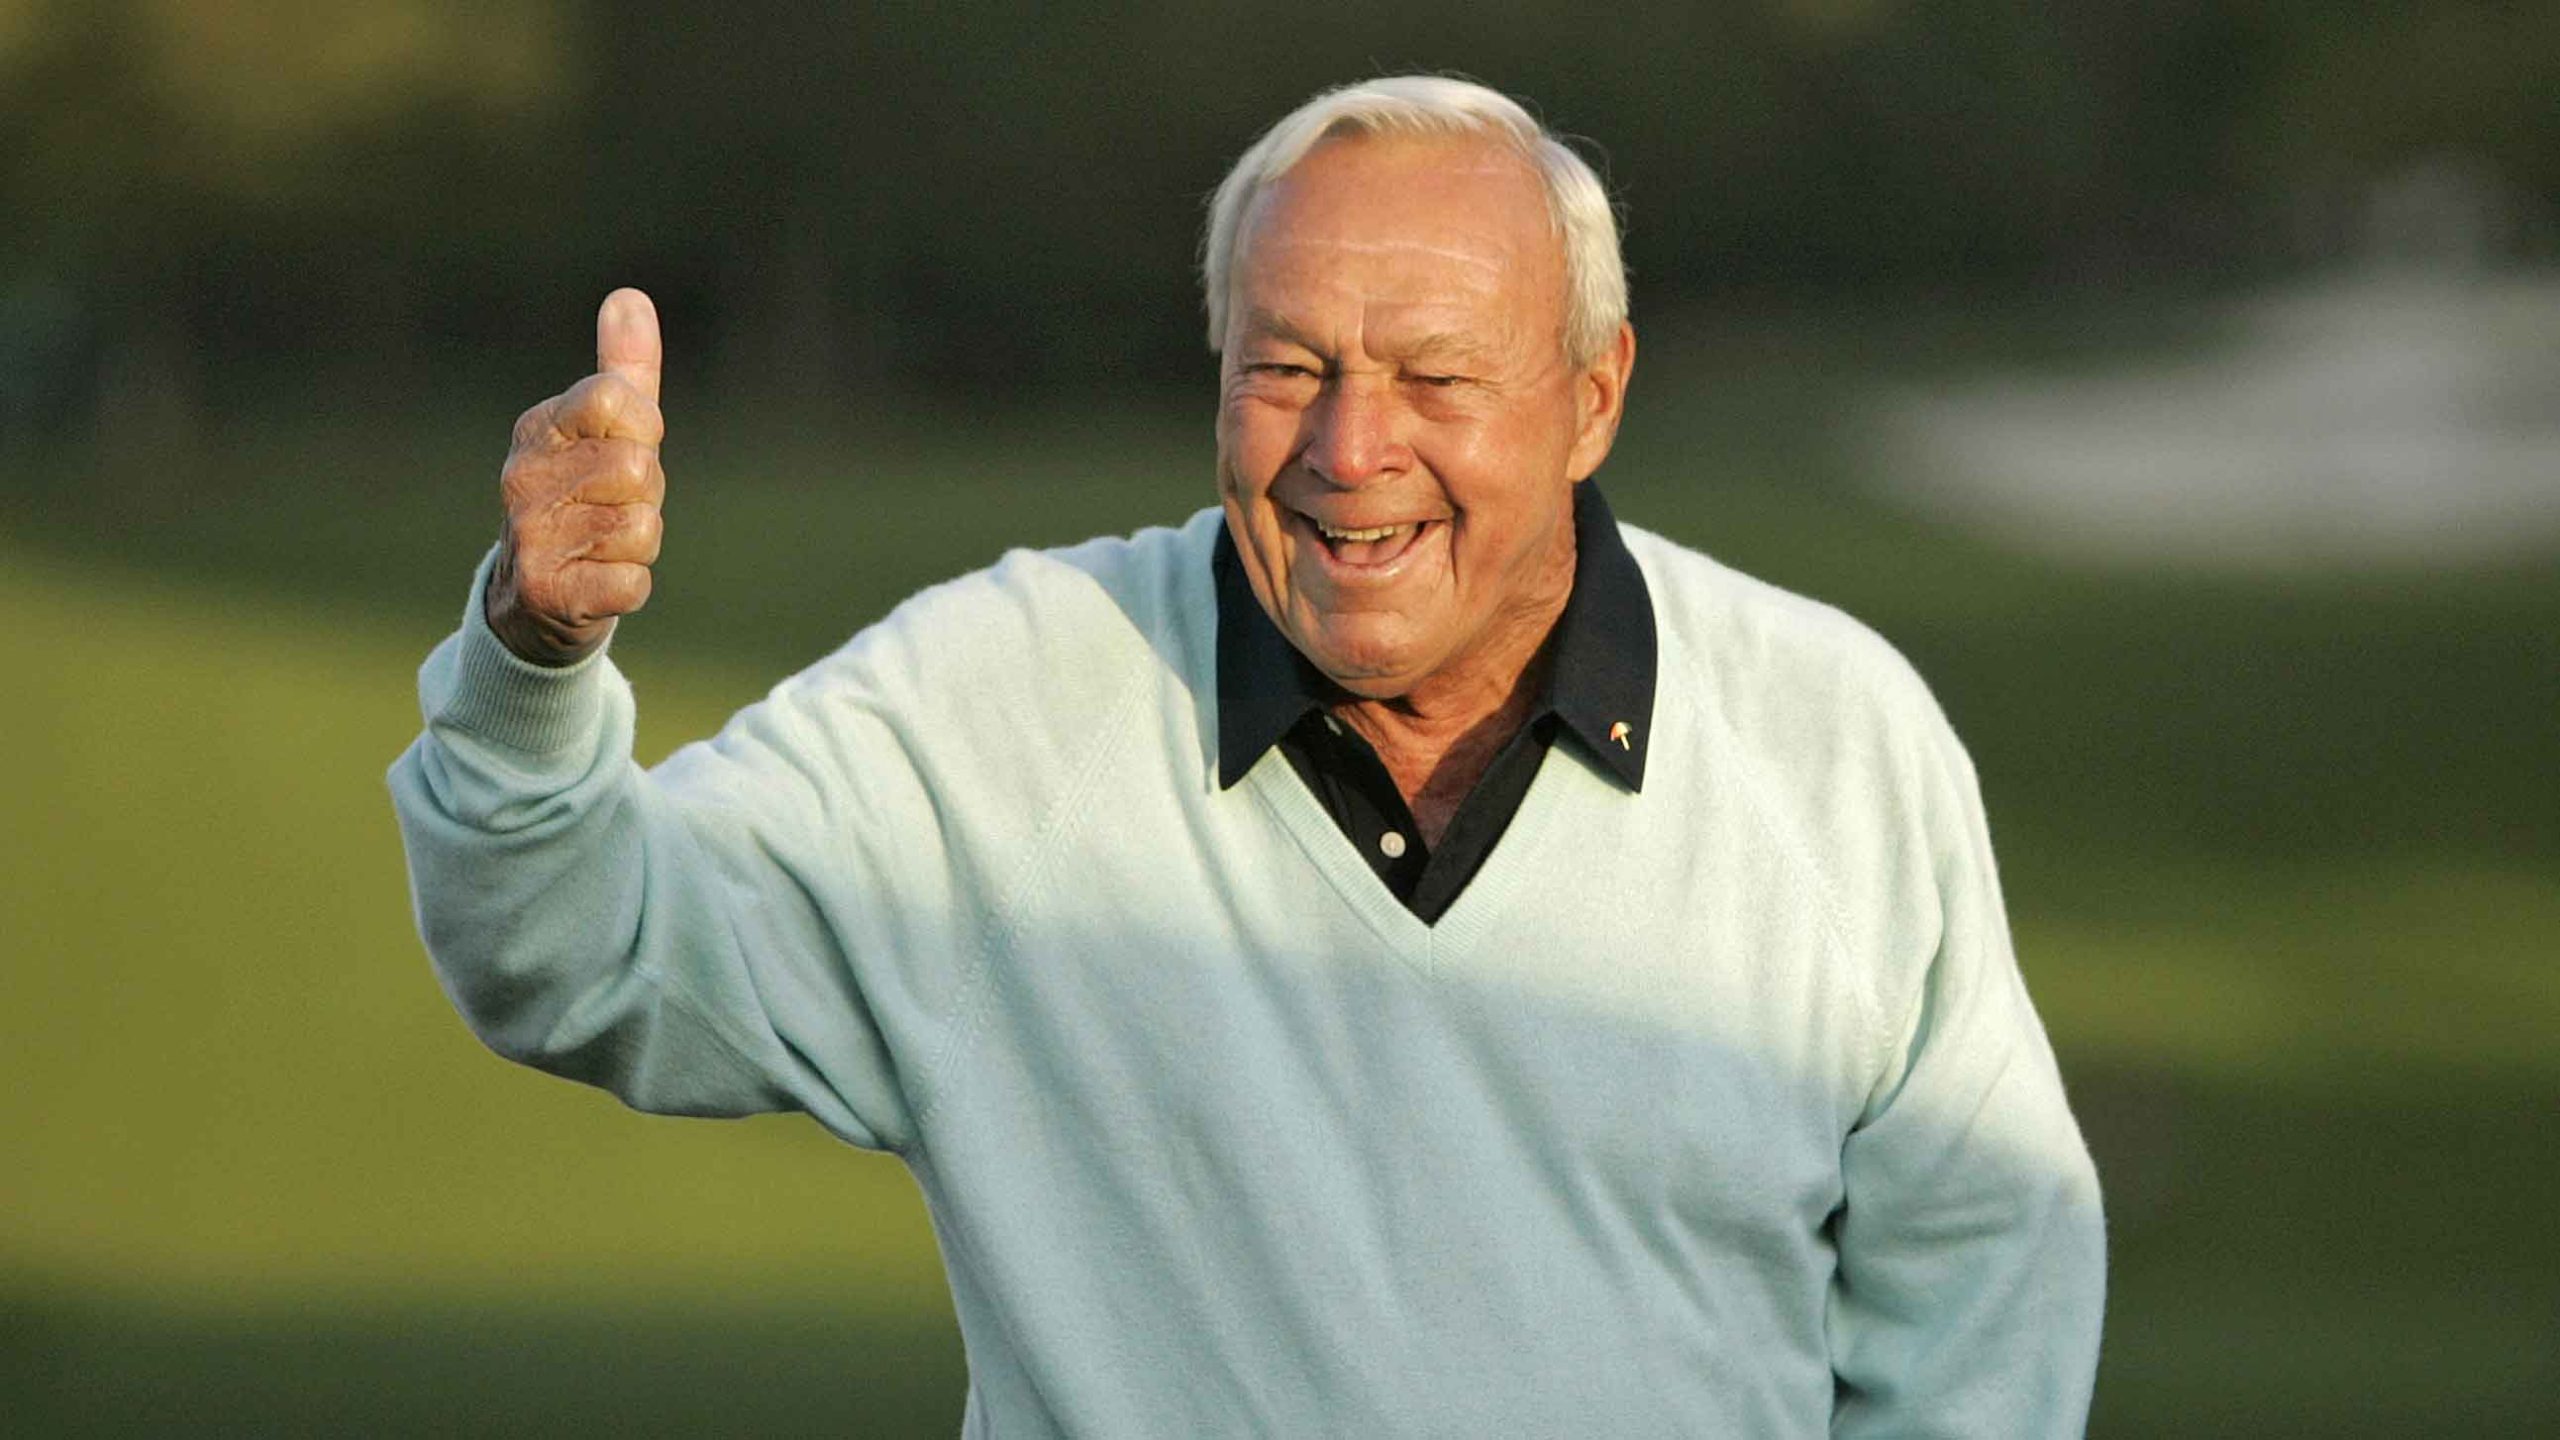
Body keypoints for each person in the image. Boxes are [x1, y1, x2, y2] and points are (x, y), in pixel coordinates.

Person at [390, 76, 2105, 1437]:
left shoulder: (1833, 736)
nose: (1350, 450)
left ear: (1593, 397)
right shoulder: (1000, 707)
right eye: (1287, 368)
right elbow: (581, 953)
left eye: (1436, 375)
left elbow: (1985, 1296)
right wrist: (534, 659)